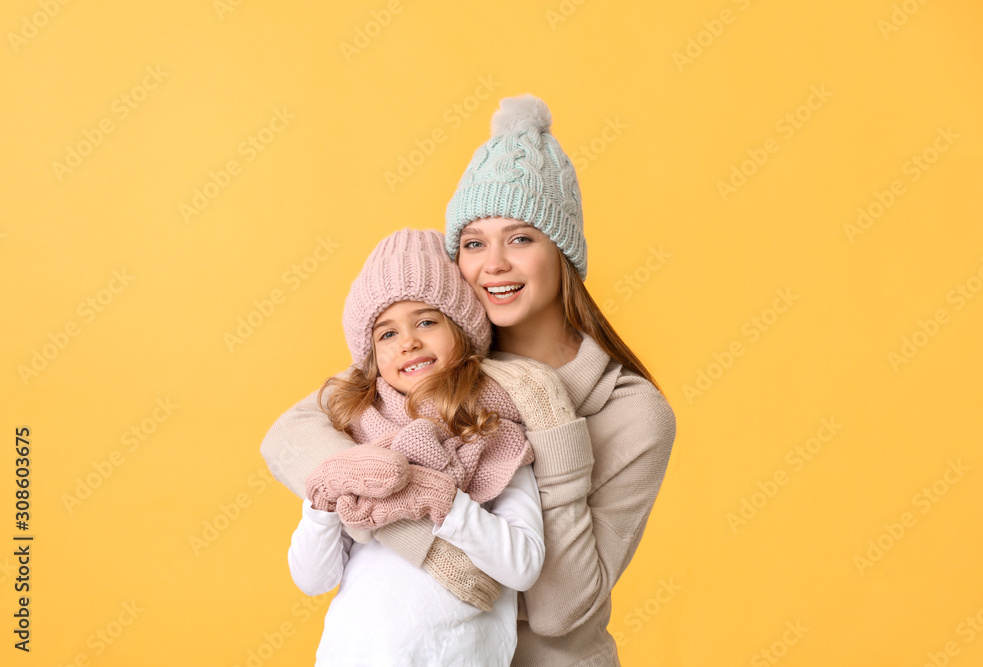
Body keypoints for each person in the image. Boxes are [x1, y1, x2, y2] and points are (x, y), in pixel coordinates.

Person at [263, 93, 677, 666]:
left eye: (521, 238)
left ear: (563, 253)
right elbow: (289, 435)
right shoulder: (441, 358)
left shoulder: (632, 413)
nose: (494, 264)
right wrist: (424, 540)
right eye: (473, 243)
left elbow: (560, 610)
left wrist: (551, 437)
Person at [287, 228, 546, 666]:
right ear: (370, 356)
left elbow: (523, 565)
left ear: (462, 330)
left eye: (426, 321)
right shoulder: (357, 432)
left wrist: (446, 503)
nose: (407, 341)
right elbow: (314, 579)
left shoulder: (492, 435)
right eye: (386, 334)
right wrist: (323, 496)